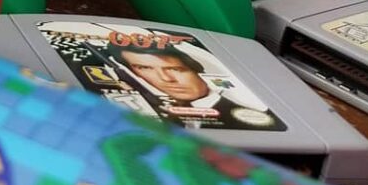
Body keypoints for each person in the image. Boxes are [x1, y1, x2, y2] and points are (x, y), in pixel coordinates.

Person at [108, 42, 274, 127]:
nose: (166, 79)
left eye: (175, 69)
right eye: (145, 68)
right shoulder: (161, 112)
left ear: (196, 68)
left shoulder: (247, 115)